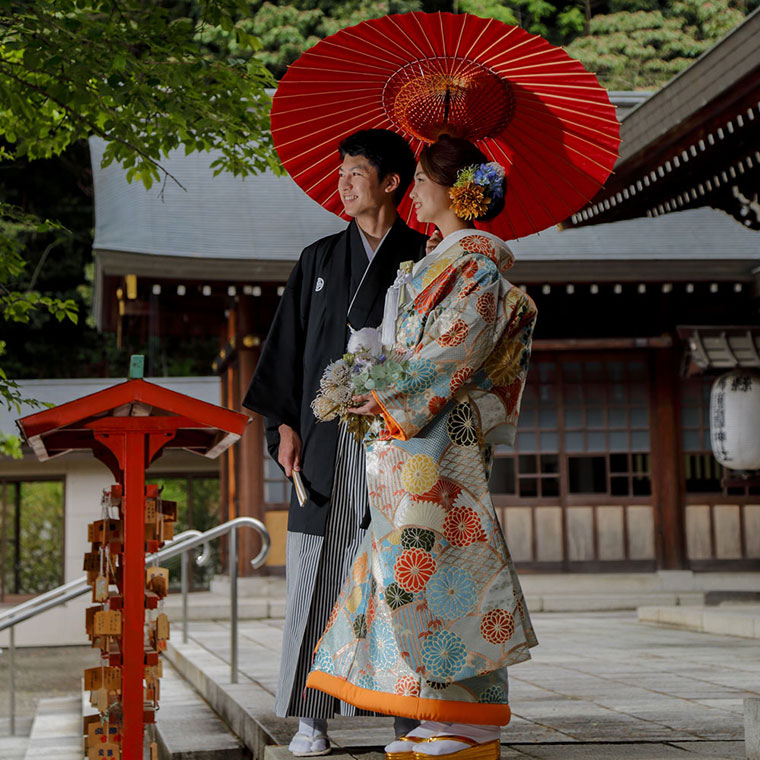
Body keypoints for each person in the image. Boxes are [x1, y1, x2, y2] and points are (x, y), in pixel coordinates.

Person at [304, 135, 539, 760]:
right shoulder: (438, 263)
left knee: (453, 573)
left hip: (444, 447)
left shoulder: (477, 269)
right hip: (409, 448)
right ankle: (440, 709)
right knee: (411, 576)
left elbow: (451, 356)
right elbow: (413, 353)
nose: (412, 190)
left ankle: (478, 721)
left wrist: (385, 393)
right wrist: (369, 375)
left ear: (455, 190)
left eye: (424, 180)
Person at [243, 129, 428, 756]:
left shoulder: (425, 256)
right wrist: (283, 426)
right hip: (324, 444)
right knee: (312, 581)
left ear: (392, 183)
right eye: (341, 172)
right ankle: (311, 719)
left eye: (356, 173)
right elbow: (287, 352)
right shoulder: (319, 259)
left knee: (396, 579)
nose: (343, 183)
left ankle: (407, 717)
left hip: (394, 442)